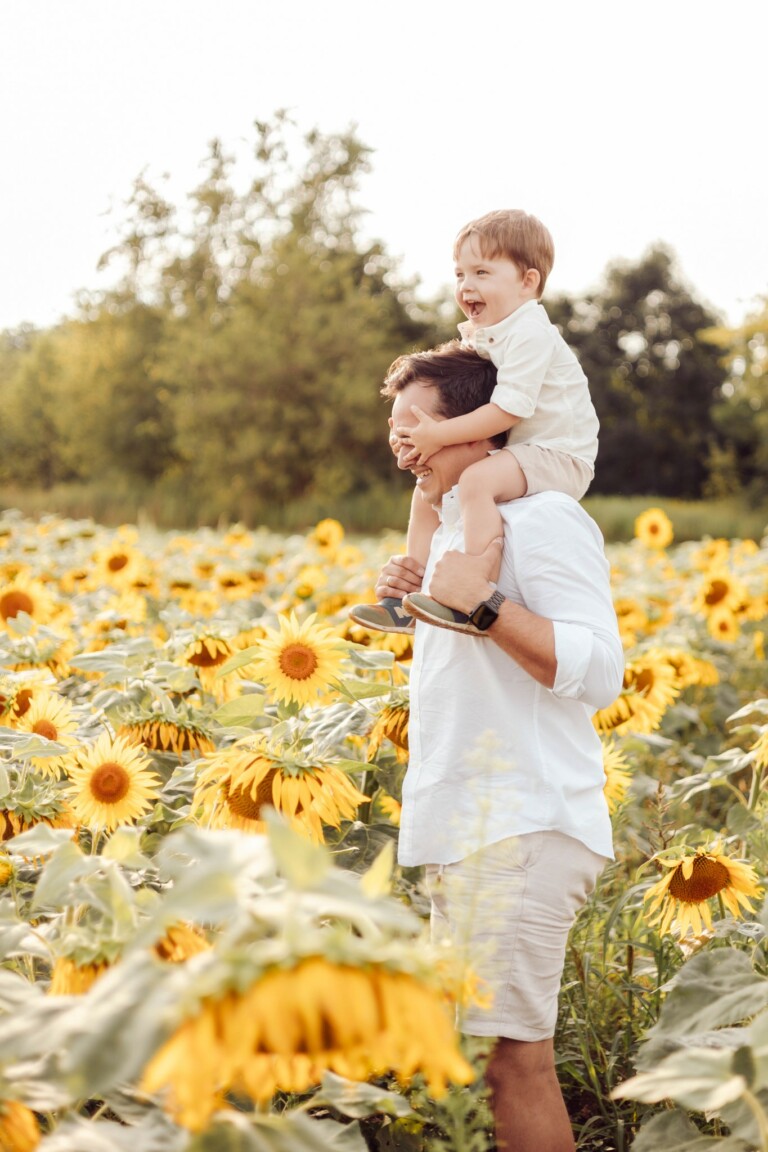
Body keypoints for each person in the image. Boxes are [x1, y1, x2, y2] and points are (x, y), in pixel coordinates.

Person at [367, 341, 623, 1151]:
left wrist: (479, 606)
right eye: (393, 423)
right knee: (481, 1061)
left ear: (481, 431)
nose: (399, 439)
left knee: (514, 1062)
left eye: (417, 422)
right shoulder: (456, 532)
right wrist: (416, 604)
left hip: (521, 823)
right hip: (474, 830)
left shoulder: (541, 517)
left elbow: (601, 669)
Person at [349, 208, 599, 637]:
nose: (467, 286)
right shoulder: (487, 332)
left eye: (482, 272)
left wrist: (437, 434)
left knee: (477, 483)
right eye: (460, 274)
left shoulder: (529, 333)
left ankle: (474, 588)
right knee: (424, 498)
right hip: (522, 451)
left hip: (559, 453)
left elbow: (507, 411)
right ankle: (412, 594)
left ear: (528, 282)